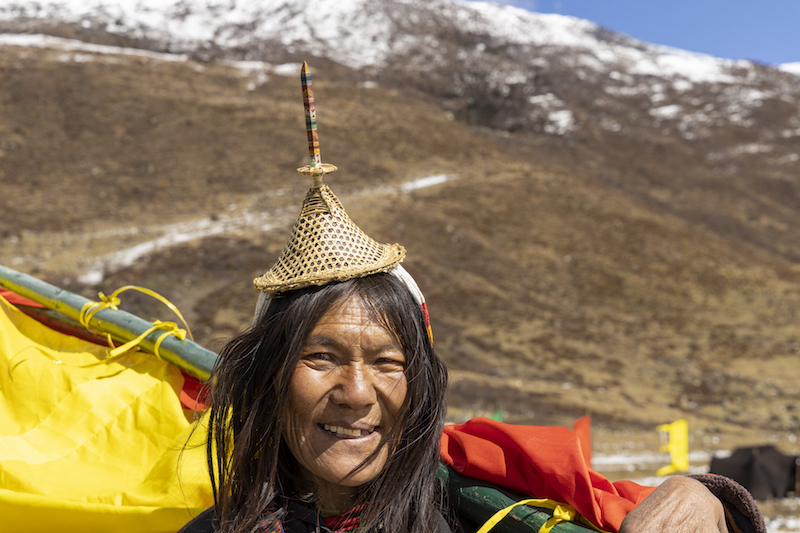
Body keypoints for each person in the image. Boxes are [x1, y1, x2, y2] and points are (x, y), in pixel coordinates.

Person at [179, 64, 764, 533]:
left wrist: (705, 498)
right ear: (269, 377)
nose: (357, 394)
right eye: (321, 358)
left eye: (388, 362)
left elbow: (626, 508)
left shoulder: (487, 516)